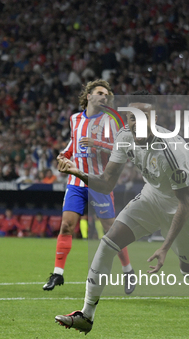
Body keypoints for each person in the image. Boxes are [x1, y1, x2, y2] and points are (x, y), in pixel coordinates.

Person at [54, 91, 189, 339]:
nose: (135, 122)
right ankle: (86, 315)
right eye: (131, 117)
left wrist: (165, 247)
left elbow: (185, 202)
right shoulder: (125, 137)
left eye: (142, 116)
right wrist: (76, 172)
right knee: (108, 243)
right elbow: (107, 183)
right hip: (153, 197)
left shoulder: (171, 148)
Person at [43, 79, 134, 294]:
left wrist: (97, 144)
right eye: (100, 93)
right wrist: (64, 155)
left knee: (111, 231)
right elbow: (73, 143)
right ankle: (57, 273)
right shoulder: (75, 119)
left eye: (107, 94)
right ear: (89, 96)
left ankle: (128, 271)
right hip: (76, 181)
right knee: (66, 225)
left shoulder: (109, 121)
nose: (104, 97)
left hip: (99, 182)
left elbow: (120, 148)